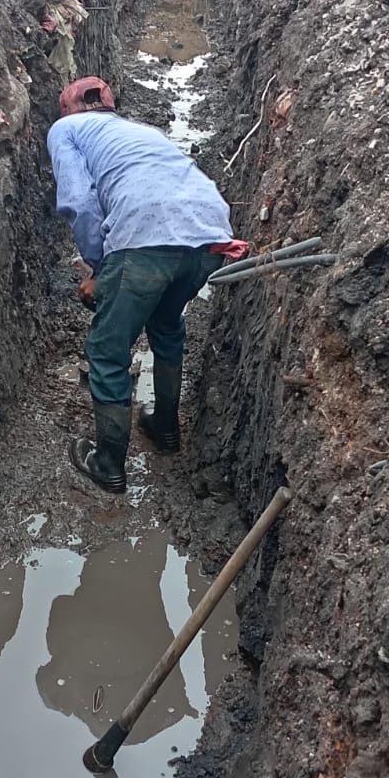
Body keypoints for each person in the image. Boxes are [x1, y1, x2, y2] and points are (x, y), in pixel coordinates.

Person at [48, 76, 245, 495]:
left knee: (108, 350)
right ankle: (166, 428)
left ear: (67, 108)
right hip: (209, 236)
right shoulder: (140, 132)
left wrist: (99, 267)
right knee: (166, 322)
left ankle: (109, 465)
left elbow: (79, 202)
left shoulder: (66, 129)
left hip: (145, 240)